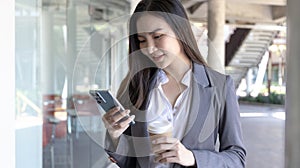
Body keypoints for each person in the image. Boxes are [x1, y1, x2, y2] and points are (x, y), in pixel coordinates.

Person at [101, 0, 246, 167]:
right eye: (142, 40)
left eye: (157, 37)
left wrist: (192, 158)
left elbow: (237, 159)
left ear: (180, 31)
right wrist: (115, 135)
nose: (149, 48)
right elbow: (130, 161)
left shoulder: (220, 87)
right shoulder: (136, 86)